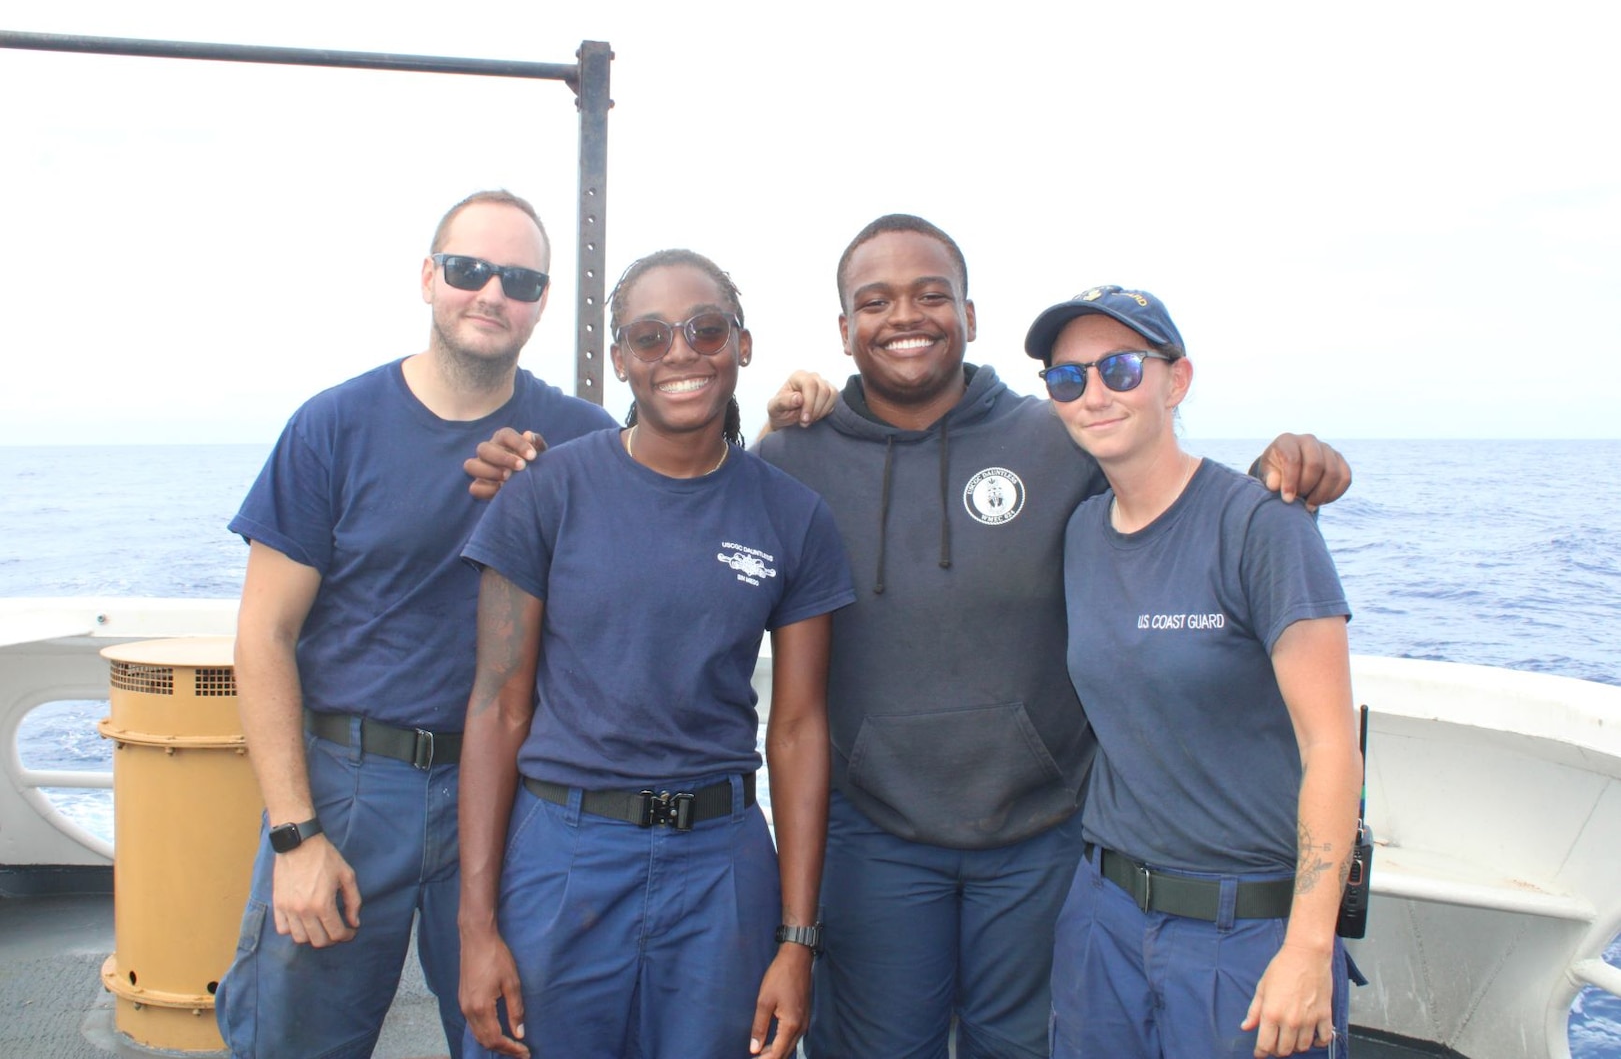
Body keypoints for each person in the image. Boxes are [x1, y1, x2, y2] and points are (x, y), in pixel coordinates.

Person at [463, 214, 1351, 1059]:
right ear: (843, 330)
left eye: (930, 294)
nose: (904, 317)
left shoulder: (1059, 435)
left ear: (968, 316)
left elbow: (1163, 500)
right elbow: (679, 492)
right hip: (871, 837)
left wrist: (1283, 468)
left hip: (1038, 838)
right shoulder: (792, 457)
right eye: (875, 302)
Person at [215, 190, 616, 1058]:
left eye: (519, 279)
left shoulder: (583, 443)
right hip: (352, 787)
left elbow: (677, 517)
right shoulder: (334, 427)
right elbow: (263, 637)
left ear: (542, 301)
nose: (491, 294)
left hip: (516, 793)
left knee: (518, 1038)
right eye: (470, 270)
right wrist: (295, 836)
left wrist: (793, 415)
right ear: (428, 277)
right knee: (296, 1041)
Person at [455, 249, 855, 1059]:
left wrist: (796, 938)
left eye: (705, 329)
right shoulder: (545, 492)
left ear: (741, 345)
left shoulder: (794, 516)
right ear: (620, 360)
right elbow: (498, 707)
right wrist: (475, 930)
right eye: (649, 335)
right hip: (563, 853)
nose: (680, 353)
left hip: (721, 864)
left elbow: (801, 728)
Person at [1026, 285, 1361, 1058]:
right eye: (1068, 379)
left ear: (1175, 382)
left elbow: (1331, 750)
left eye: (1120, 368)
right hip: (1101, 914)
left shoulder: (1263, 525)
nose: (1095, 394)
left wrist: (1308, 948)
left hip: (1244, 927)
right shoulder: (1080, 530)